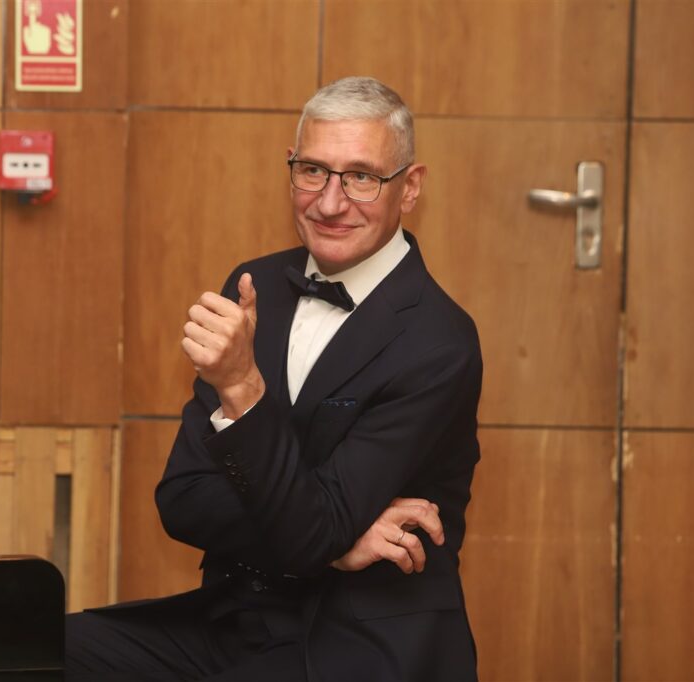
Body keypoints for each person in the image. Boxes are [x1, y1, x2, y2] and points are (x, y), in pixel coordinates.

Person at [66, 76, 482, 681]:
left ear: (410, 187)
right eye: (312, 171)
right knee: (39, 651)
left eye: (361, 177)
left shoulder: (439, 342)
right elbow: (182, 500)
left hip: (358, 642)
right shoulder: (253, 285)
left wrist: (243, 389)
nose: (330, 203)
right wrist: (337, 545)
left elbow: (312, 531)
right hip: (236, 618)